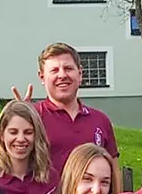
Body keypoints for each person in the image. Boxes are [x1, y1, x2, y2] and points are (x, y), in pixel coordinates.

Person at [14, 43, 118, 180]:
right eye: (54, 70)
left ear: (80, 74)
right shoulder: (32, 118)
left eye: (68, 68)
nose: (62, 75)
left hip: (91, 193)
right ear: (42, 77)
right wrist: (19, 116)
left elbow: (113, 172)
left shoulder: (100, 120)